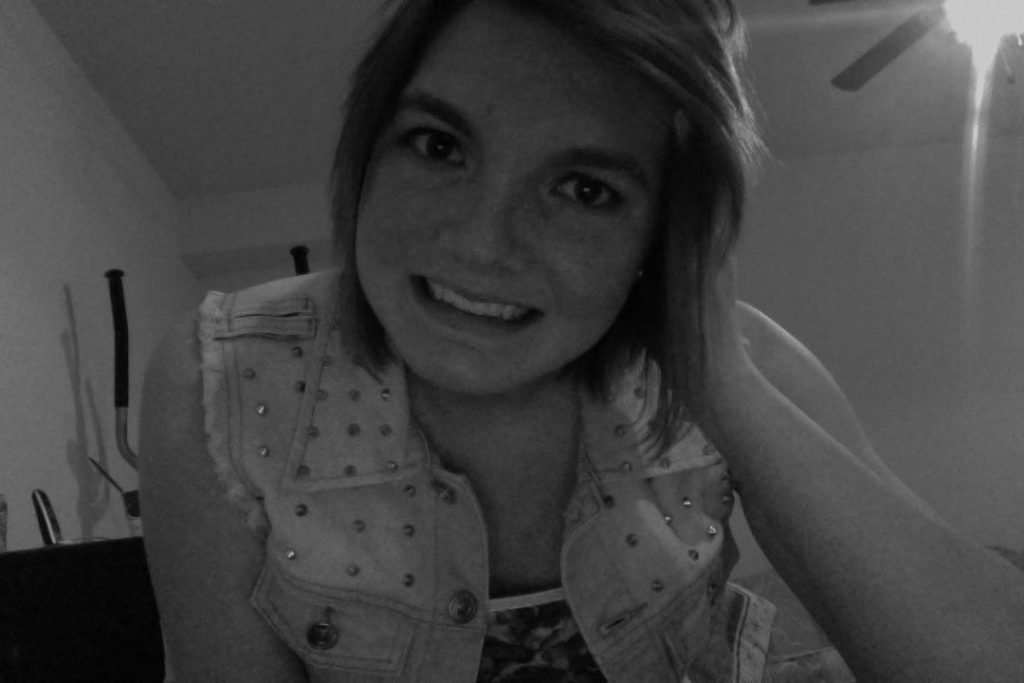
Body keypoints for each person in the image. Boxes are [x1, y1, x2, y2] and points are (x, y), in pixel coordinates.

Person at [138, 0, 1024, 681]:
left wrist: (718, 378)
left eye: (585, 190)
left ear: (663, 232)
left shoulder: (741, 367)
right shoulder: (224, 378)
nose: (482, 243)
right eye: (438, 145)